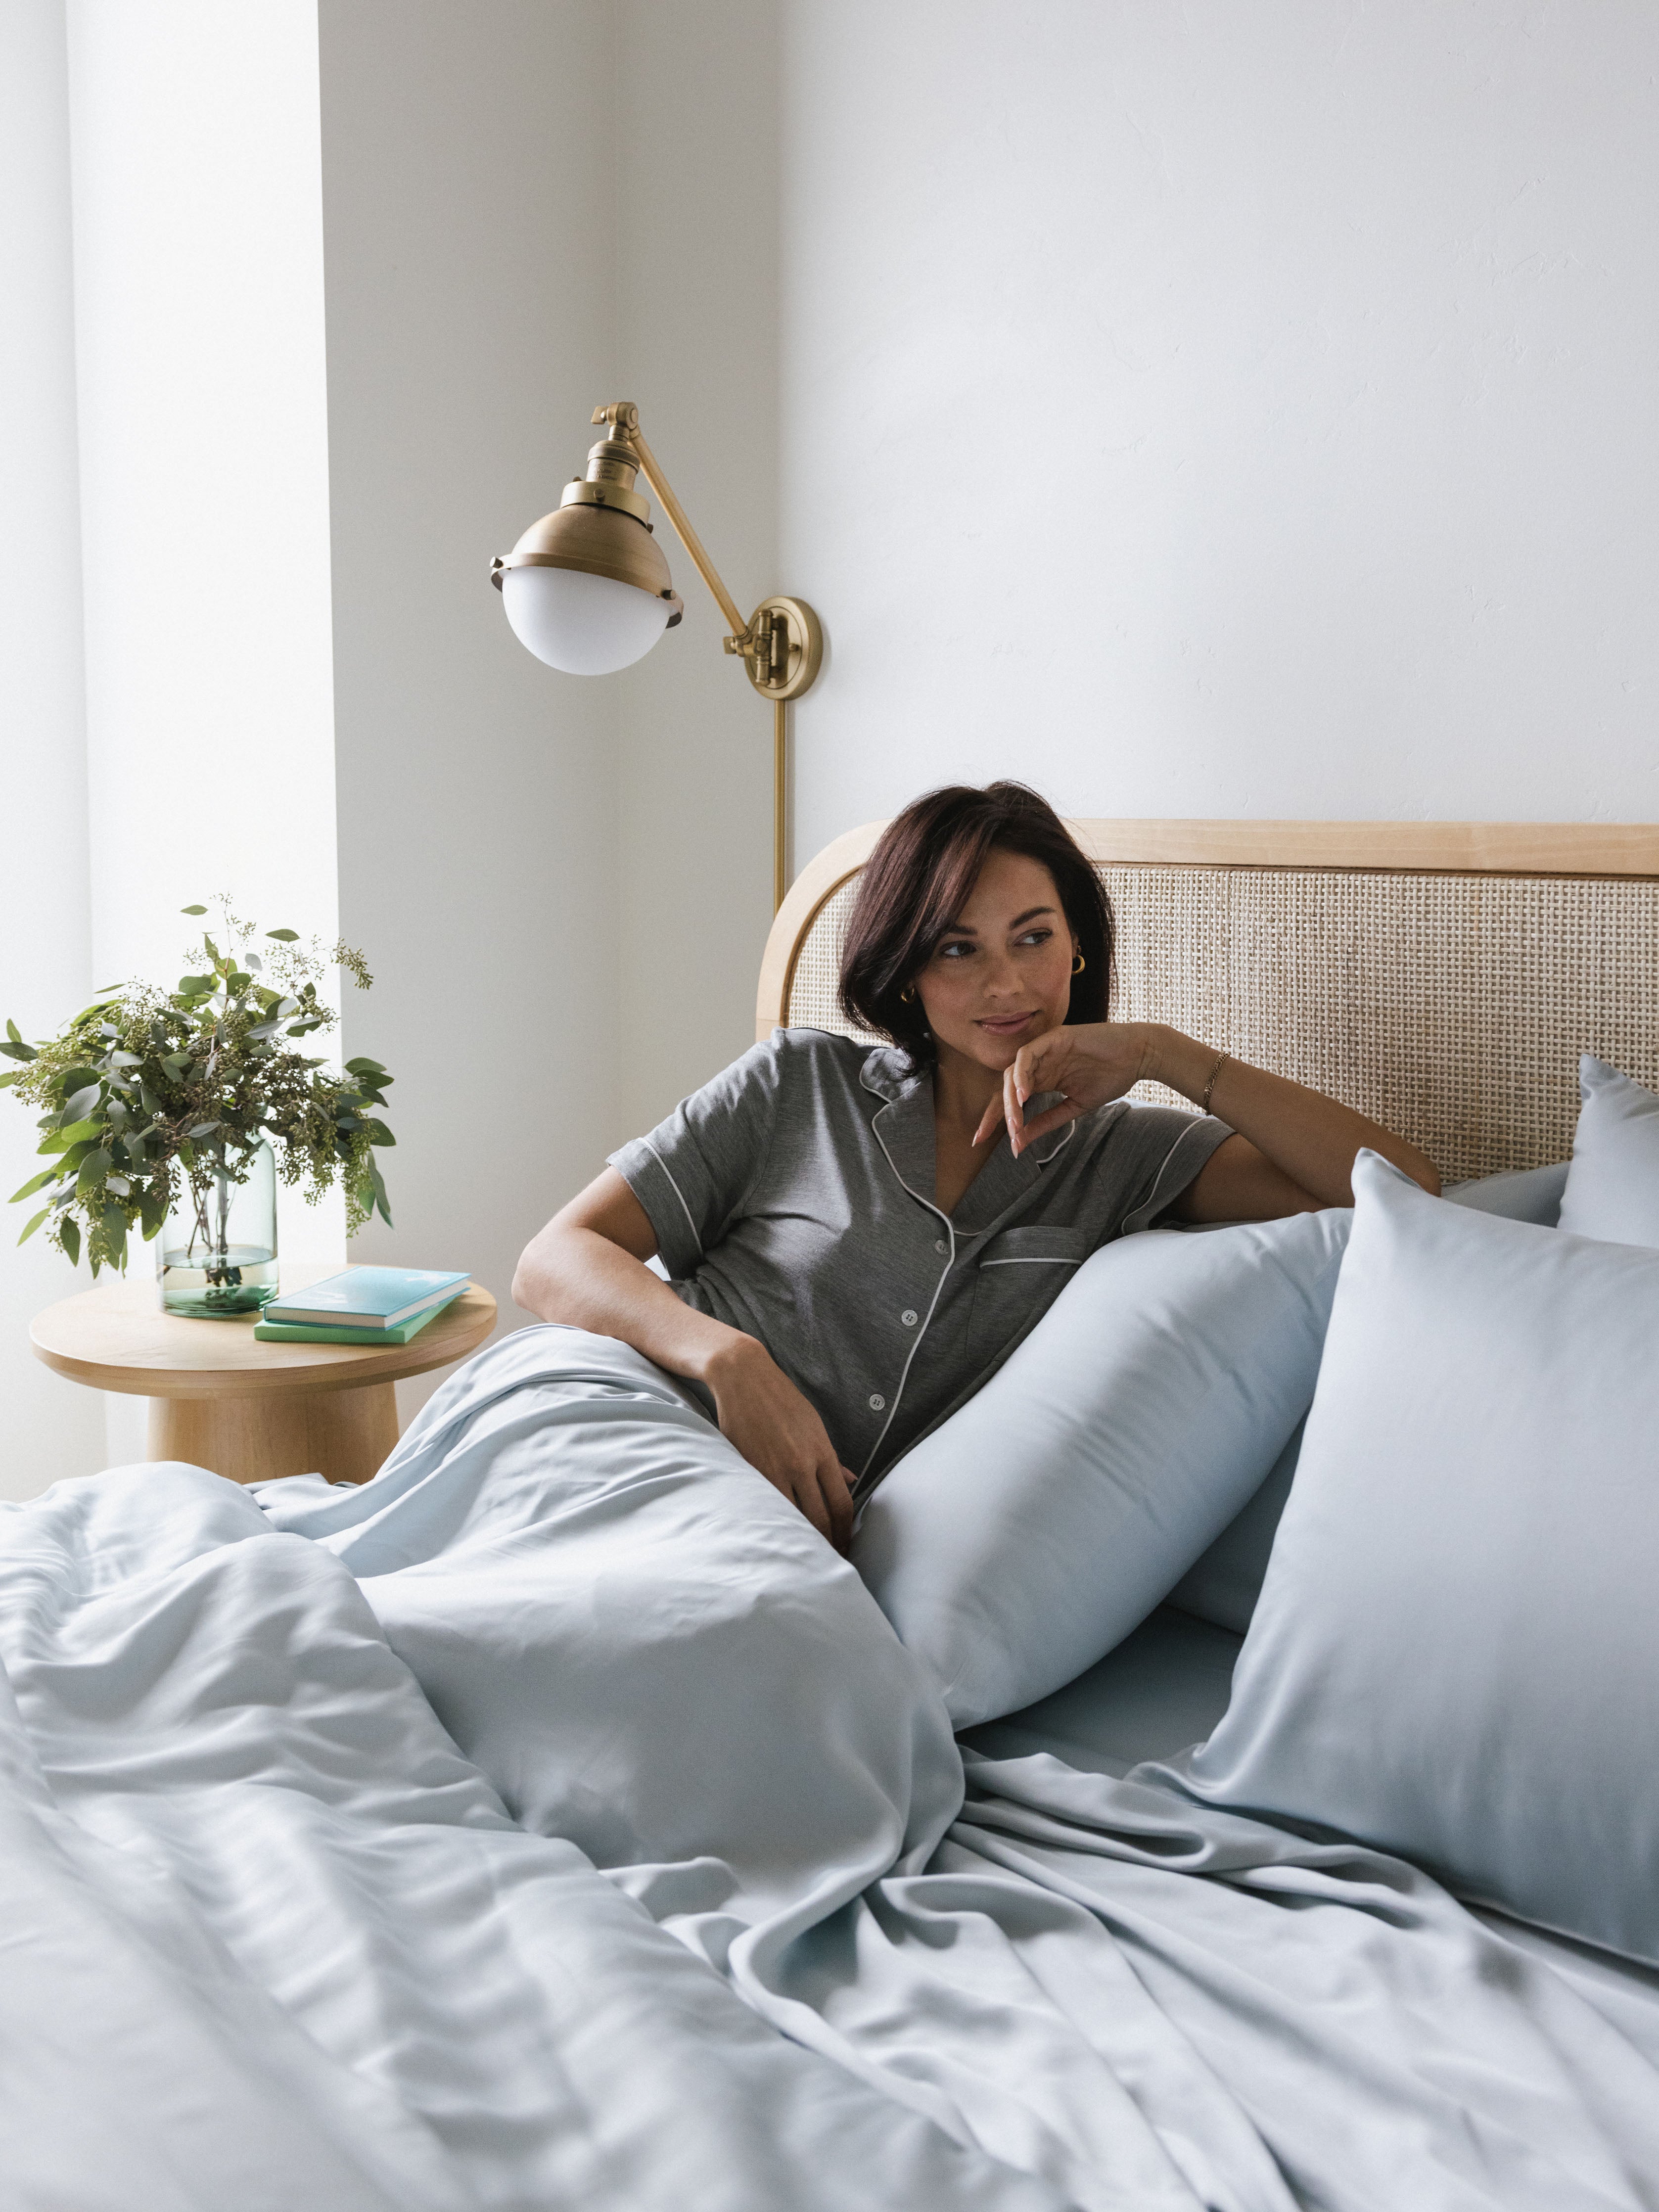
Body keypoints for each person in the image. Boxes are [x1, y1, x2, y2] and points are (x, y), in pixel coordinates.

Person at [514, 783, 1438, 1555]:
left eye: (1033, 938)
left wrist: (1166, 1053)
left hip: (768, 1542)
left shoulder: (1124, 1160)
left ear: (1078, 945)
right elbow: (552, 1259)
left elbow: (1396, 1190)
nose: (1005, 986)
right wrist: (731, 1361)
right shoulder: (798, 1084)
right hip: (624, 1422)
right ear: (907, 970)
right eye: (958, 949)